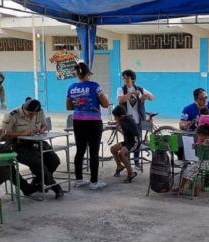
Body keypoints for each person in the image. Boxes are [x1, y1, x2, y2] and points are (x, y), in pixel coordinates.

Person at [1, 98, 64, 199]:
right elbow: (3, 135)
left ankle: (38, 182)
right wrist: (21, 133)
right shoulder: (12, 115)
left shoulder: (39, 112)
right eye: (30, 114)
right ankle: (55, 187)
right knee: (37, 163)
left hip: (36, 141)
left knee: (54, 160)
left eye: (35, 114)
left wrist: (42, 129)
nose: (33, 116)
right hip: (18, 144)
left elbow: (44, 125)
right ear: (24, 109)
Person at [66, 62, 110, 190]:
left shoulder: (71, 87)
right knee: (93, 151)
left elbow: (68, 106)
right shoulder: (95, 86)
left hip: (78, 121)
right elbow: (106, 104)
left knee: (80, 150)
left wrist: (79, 103)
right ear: (88, 74)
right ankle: (94, 182)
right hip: (93, 121)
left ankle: (79, 179)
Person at [116, 69, 154, 168]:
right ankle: (127, 162)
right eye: (124, 78)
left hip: (138, 120)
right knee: (128, 141)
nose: (125, 80)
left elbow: (152, 97)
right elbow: (121, 100)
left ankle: (136, 162)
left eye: (127, 78)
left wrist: (146, 96)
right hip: (126, 121)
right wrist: (130, 93)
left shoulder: (140, 89)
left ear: (132, 79)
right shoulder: (121, 89)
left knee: (138, 141)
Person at [177, 123, 209, 195]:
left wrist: (197, 146)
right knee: (189, 169)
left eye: (200, 135)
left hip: (204, 164)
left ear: (204, 135)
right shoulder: (208, 140)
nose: (199, 137)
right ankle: (186, 187)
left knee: (188, 169)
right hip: (203, 163)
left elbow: (203, 148)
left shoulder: (207, 141)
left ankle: (184, 188)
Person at [110, 105, 139, 183]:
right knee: (113, 149)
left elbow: (134, 134)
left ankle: (131, 173)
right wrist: (116, 122)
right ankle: (119, 166)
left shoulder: (127, 121)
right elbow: (120, 122)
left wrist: (118, 124)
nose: (115, 118)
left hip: (134, 142)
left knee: (121, 154)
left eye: (115, 117)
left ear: (121, 116)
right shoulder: (123, 119)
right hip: (127, 141)